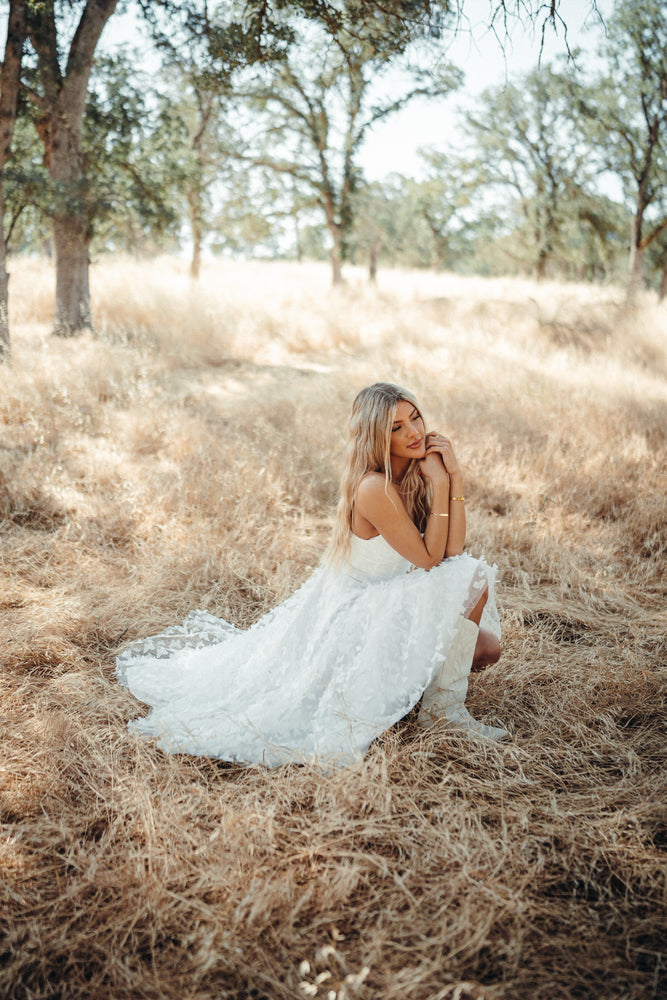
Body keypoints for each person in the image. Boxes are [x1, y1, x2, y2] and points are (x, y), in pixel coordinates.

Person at [117, 382, 508, 767]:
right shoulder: (374, 487)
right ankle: (443, 712)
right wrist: (440, 482)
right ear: (377, 437)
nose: (415, 432)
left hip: (392, 601)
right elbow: (430, 561)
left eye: (415, 417)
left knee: (487, 648)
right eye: (396, 428)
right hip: (358, 616)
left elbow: (451, 553)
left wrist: (453, 476)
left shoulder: (412, 477)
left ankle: (415, 694)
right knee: (472, 580)